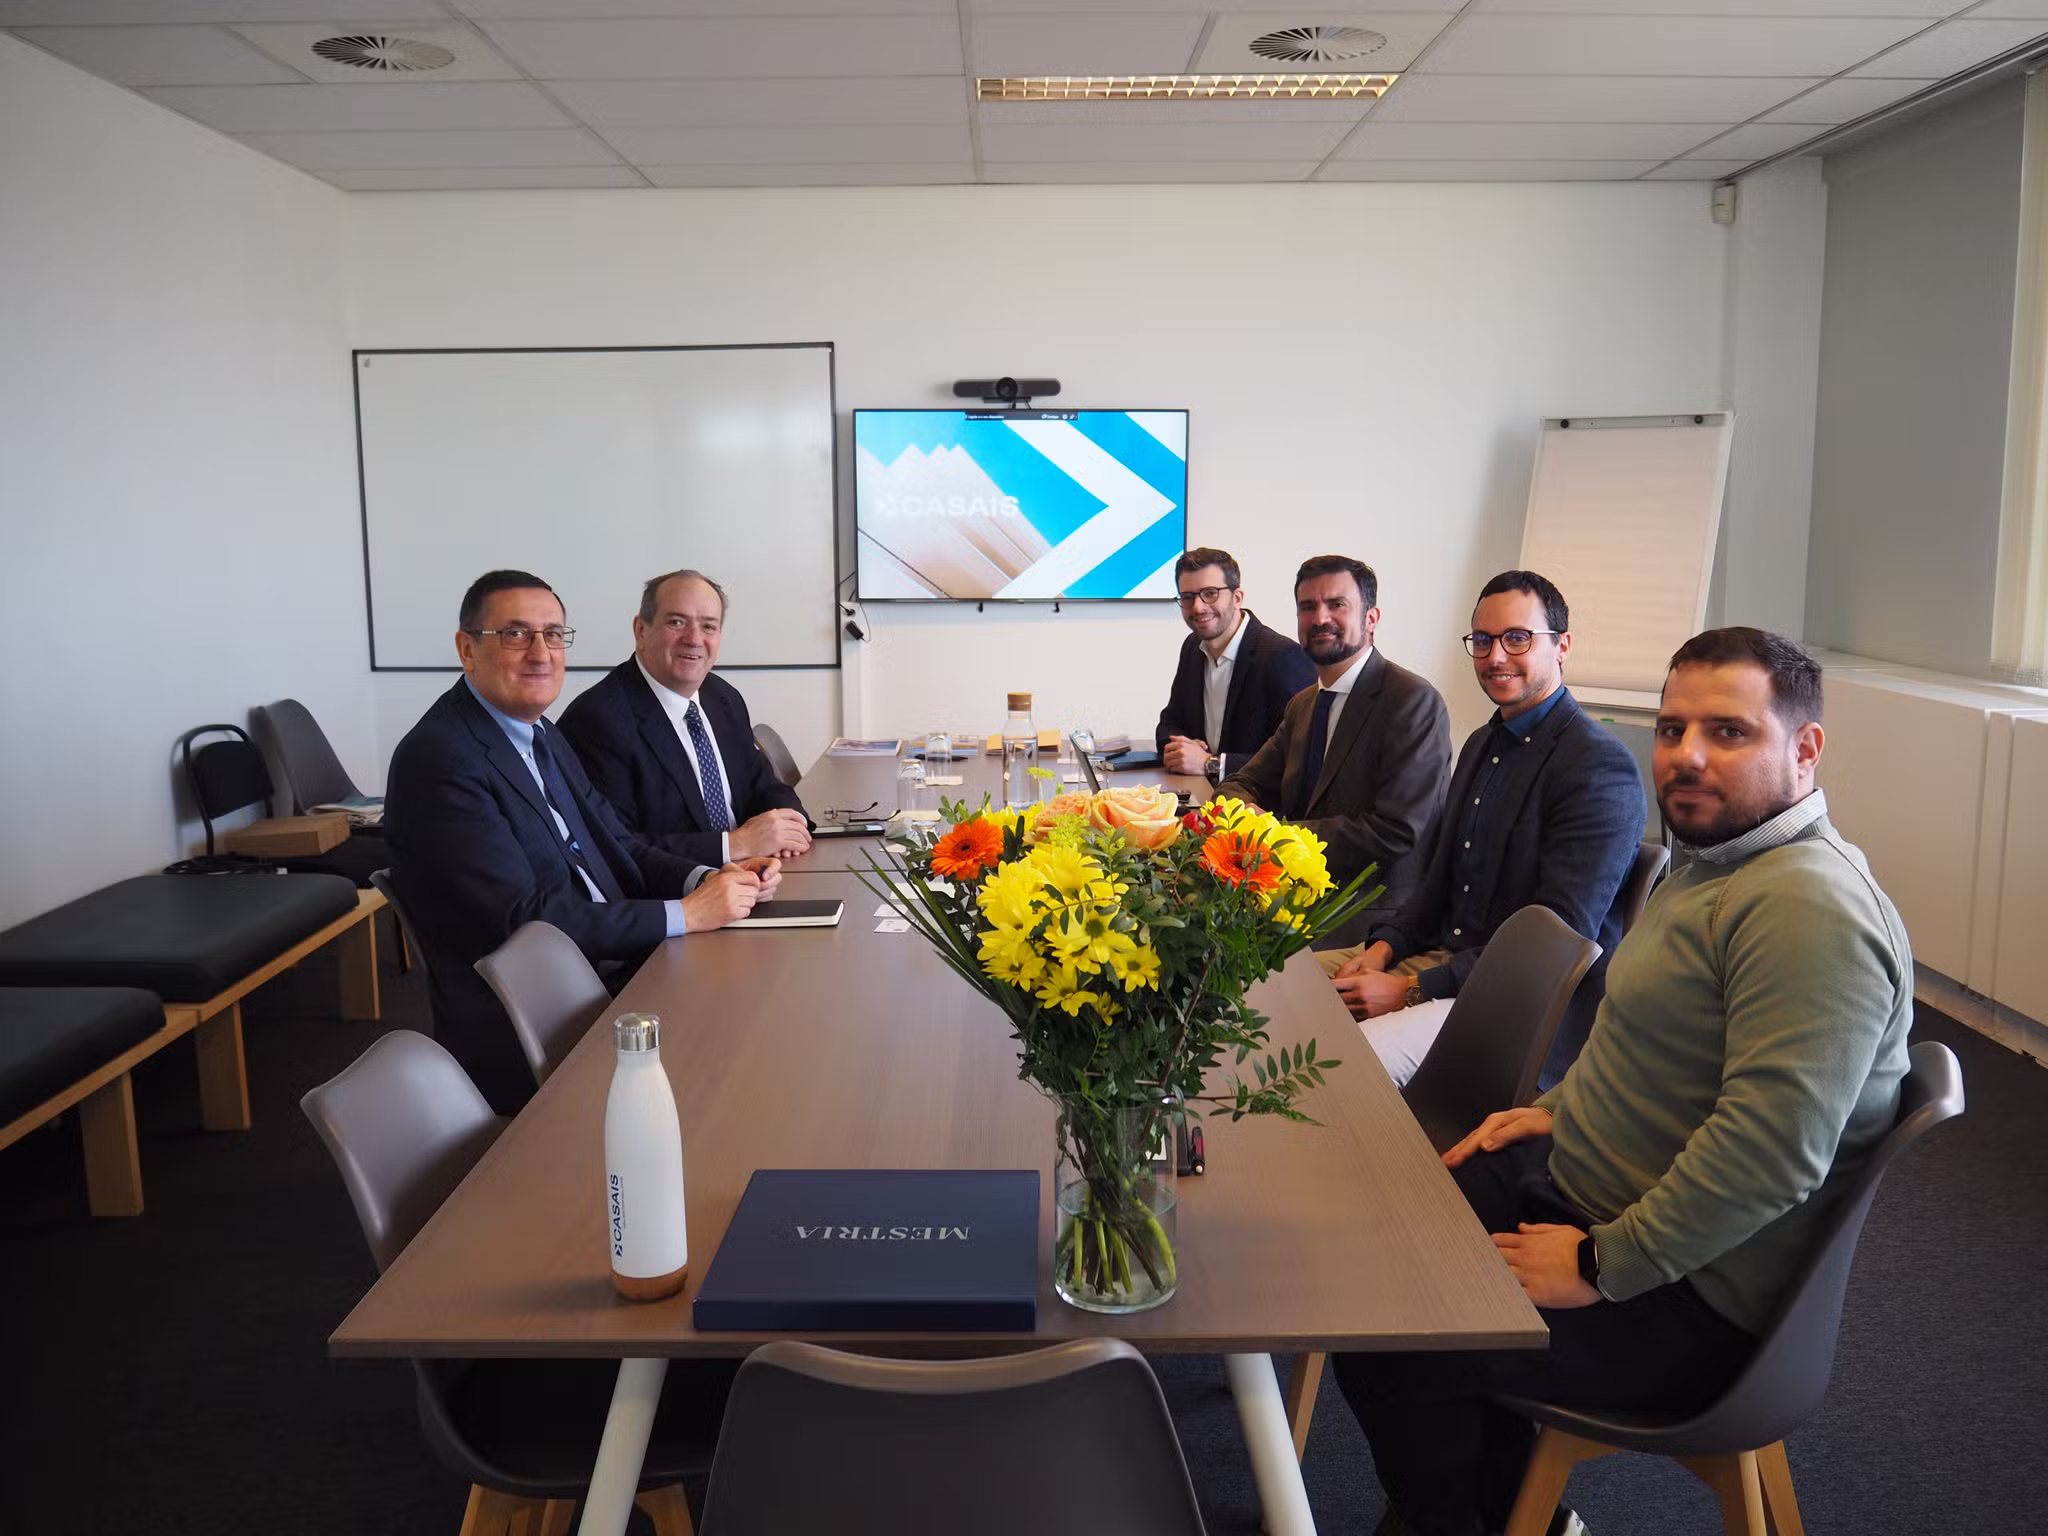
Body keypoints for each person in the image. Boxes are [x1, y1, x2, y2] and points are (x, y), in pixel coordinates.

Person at [1331, 627, 1913, 1536]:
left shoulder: (1809, 910)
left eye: (1728, 732)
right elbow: (1646, 1038)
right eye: (1672, 727)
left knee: (1397, 1329)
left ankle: (1461, 1520)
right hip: (1590, 1192)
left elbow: (1773, 1155)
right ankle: (1508, 1513)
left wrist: (1602, 1265)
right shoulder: (1720, 860)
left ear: (1805, 749)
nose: (1684, 755)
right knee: (1381, 1238)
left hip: (1682, 1297)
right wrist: (1553, 1109)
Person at [385, 569, 780, 1113]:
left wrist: (708, 879)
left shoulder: (539, 733)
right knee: (750, 1063)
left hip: (611, 971)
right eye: (516, 635)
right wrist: (685, 915)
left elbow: (619, 843)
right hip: (543, 1016)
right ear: (467, 648)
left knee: (769, 1004)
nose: (541, 653)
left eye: (553, 635)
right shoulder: (441, 760)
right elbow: (525, 921)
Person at [1325, 571, 1645, 1087]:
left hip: (1518, 1004)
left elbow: (1552, 946)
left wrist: (1409, 989)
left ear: (1562, 645)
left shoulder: (1598, 768)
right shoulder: (1481, 744)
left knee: (1340, 1067)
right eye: (1483, 640)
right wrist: (1381, 951)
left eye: (1517, 638)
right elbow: (1435, 886)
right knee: (1279, 988)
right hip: (1440, 965)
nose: (1496, 656)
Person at [1216, 554, 1451, 934]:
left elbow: (1395, 831)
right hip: (1294, 901)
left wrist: (1274, 835)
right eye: (1307, 607)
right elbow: (1238, 785)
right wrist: (1246, 816)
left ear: (1371, 618)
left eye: (1336, 604)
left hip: (1371, 917)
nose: (1320, 618)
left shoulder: (1412, 701)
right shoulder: (1304, 704)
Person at [559, 569, 812, 868]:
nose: (694, 639)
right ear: (641, 630)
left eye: (708, 626)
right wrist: (735, 845)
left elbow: (763, 784)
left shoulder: (722, 697)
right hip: (679, 897)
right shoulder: (597, 721)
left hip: (754, 875)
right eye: (677, 622)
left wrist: (789, 827)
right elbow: (613, 847)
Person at [1154, 546, 1317, 780]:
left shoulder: (1281, 657)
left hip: (1257, 808)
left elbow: (1300, 757)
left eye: (1210, 593)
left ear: (1237, 598)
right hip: (1202, 794)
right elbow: (1169, 722)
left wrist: (1212, 764)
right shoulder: (1192, 647)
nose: (1198, 607)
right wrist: (1181, 749)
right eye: (1188, 597)